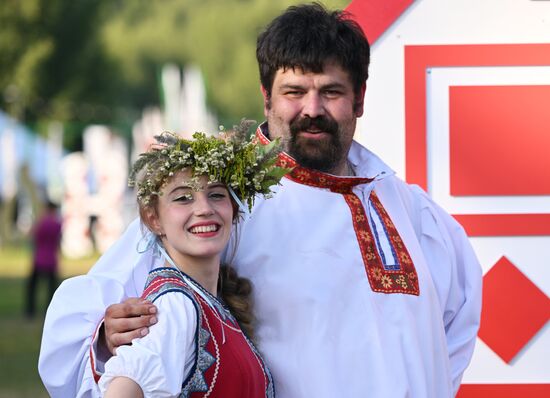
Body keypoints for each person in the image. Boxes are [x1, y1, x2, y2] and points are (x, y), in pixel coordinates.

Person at [39, 3, 482, 397]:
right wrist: (106, 335)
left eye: (331, 91)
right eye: (294, 92)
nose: (312, 109)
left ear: (359, 99)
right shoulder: (225, 200)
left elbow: (453, 328)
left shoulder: (413, 211)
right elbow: (98, 315)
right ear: (266, 98)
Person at [97, 124, 278, 397]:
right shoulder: (175, 304)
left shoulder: (209, 303)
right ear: (154, 219)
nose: (204, 209)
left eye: (217, 194)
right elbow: (123, 388)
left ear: (234, 210)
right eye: (183, 198)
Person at [25, 200, 62, 318]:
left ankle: (30, 311)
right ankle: (51, 310)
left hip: (39, 258)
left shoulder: (41, 222)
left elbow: (33, 236)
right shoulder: (57, 224)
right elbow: (58, 241)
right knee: (51, 288)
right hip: (51, 258)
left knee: (32, 287)